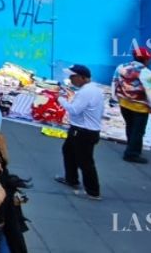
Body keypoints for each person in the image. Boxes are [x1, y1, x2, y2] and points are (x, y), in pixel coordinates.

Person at [54, 64, 105, 200]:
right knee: (68, 152)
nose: (71, 79)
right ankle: (71, 179)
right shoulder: (94, 90)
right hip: (83, 129)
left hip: (83, 131)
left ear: (82, 77)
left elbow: (74, 110)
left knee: (85, 162)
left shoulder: (86, 92)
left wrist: (60, 99)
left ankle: (93, 192)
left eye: (73, 76)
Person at [112, 47, 151, 163]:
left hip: (124, 104)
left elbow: (114, 82)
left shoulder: (121, 67)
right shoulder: (146, 73)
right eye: (149, 58)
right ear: (145, 59)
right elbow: (150, 92)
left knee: (130, 127)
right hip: (139, 108)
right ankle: (132, 154)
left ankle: (132, 148)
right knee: (138, 131)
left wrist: (114, 97)